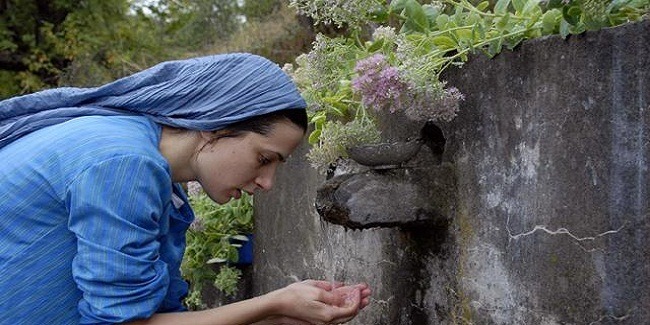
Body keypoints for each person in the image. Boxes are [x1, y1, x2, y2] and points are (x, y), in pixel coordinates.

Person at [0, 53, 371, 324]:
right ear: (216, 124)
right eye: (263, 159)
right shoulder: (124, 163)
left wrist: (283, 314)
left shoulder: (144, 165)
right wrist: (274, 304)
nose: (267, 183)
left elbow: (152, 317)